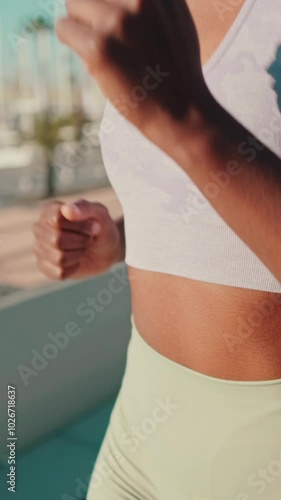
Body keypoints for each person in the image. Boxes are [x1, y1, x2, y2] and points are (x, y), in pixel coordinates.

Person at [33, 0, 281, 498]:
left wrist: (189, 120)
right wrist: (117, 238)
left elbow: (190, 131)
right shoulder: (142, 12)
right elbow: (192, 195)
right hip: (137, 429)